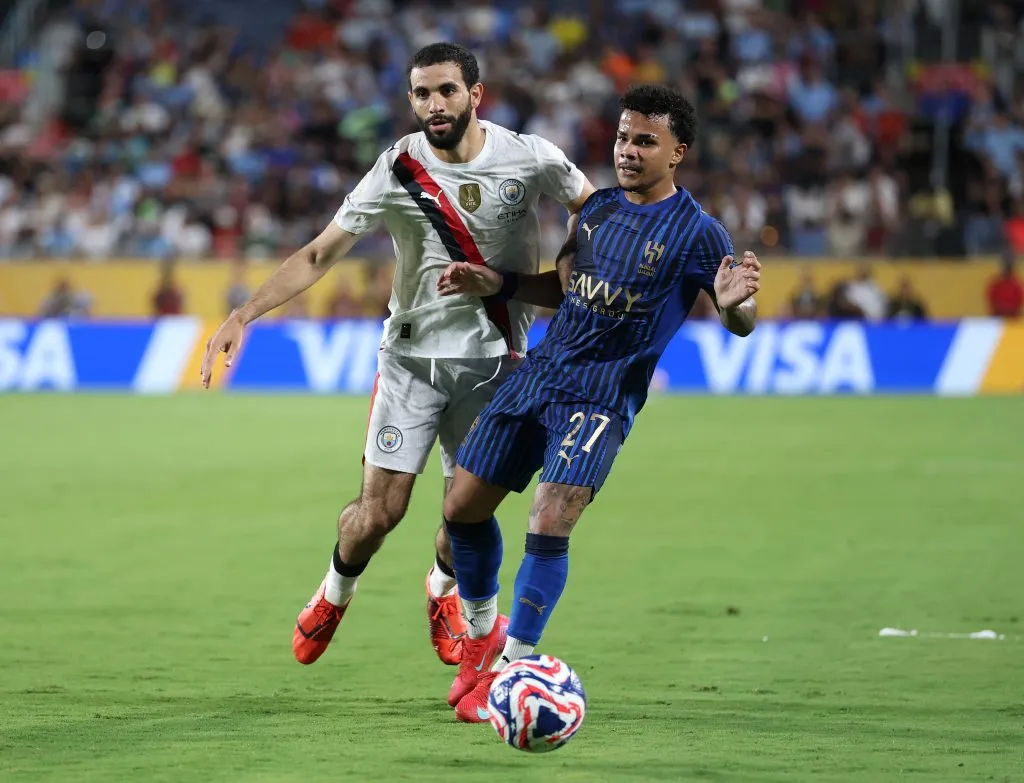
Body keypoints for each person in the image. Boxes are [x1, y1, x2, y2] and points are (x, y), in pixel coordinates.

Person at [199, 43, 594, 668]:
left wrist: (576, 262)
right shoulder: (397, 168)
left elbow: (594, 212)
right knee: (380, 514)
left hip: (497, 362)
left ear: (475, 94)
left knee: (464, 514)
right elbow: (318, 255)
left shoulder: (530, 157)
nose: (433, 105)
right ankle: (335, 591)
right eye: (421, 94)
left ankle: (441, 589)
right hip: (410, 362)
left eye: (446, 91)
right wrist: (243, 314)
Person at [433, 84, 760, 722]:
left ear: (678, 152)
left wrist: (733, 302)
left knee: (550, 517)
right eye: (622, 137)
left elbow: (739, 320)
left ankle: (513, 666)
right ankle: (482, 635)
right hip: (542, 373)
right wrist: (496, 283)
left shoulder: (698, 232)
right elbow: (566, 289)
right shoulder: (598, 211)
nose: (628, 151)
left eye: (645, 141)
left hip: (602, 396)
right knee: (460, 512)